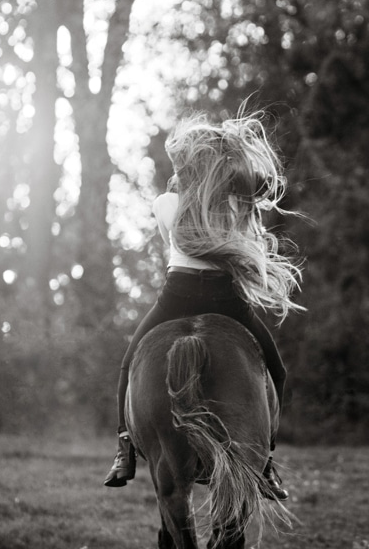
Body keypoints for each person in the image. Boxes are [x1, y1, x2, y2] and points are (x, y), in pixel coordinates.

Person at [104, 107, 304, 500]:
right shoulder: (237, 205)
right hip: (226, 299)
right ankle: (264, 464)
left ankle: (125, 448)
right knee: (275, 370)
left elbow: (169, 239)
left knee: (129, 364)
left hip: (175, 296)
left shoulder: (166, 202)